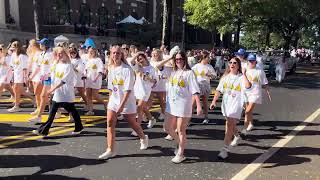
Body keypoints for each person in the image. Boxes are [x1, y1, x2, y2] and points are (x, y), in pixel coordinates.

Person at [98, 46, 148, 160]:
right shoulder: (110, 68)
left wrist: (121, 106)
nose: (116, 55)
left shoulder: (127, 69)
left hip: (127, 101)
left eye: (118, 53)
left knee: (132, 122)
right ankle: (110, 149)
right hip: (114, 101)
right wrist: (111, 101)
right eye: (114, 53)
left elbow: (127, 90)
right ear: (111, 55)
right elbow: (111, 88)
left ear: (122, 55)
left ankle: (143, 137)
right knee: (110, 123)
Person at [32, 47, 83, 136]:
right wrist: (43, 78)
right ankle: (44, 130)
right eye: (58, 54)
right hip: (58, 93)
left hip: (66, 93)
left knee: (69, 111)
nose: (59, 55)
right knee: (61, 111)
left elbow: (63, 81)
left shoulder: (68, 66)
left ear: (65, 54)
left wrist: (52, 89)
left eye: (61, 53)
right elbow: (52, 75)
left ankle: (44, 130)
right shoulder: (57, 64)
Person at [164, 51, 203, 164]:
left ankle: (181, 153)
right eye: (176, 59)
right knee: (167, 128)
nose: (178, 61)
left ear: (185, 59)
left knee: (181, 129)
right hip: (171, 105)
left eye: (180, 59)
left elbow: (195, 90)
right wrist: (169, 58)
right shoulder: (173, 72)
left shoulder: (189, 73)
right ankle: (180, 142)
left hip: (183, 105)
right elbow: (158, 67)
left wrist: (199, 106)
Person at [210, 57, 251, 159]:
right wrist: (214, 101)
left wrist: (244, 73)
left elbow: (248, 86)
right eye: (230, 62)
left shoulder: (241, 77)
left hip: (236, 105)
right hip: (226, 105)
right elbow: (219, 90)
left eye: (235, 63)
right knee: (230, 124)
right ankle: (237, 136)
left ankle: (224, 150)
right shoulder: (225, 77)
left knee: (229, 125)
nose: (232, 64)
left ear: (238, 65)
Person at [28, 38, 56, 123]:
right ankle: (54, 112)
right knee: (47, 97)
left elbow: (54, 67)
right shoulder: (42, 54)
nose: (40, 45)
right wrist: (32, 76)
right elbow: (39, 67)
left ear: (45, 45)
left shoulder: (51, 54)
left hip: (50, 78)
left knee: (44, 96)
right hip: (44, 78)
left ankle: (39, 116)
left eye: (41, 44)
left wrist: (48, 75)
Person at [242, 53, 271, 134]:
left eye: (252, 61)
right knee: (249, 110)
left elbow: (265, 83)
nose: (251, 63)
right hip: (246, 92)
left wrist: (268, 92)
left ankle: (244, 130)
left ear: (255, 62)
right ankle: (250, 123)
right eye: (249, 61)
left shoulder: (260, 71)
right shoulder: (244, 69)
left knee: (247, 111)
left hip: (255, 93)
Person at [131, 52, 157, 131]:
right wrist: (137, 53)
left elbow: (155, 81)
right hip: (137, 89)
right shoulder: (138, 67)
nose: (140, 60)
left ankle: (137, 129)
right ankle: (151, 119)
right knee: (143, 107)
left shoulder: (151, 68)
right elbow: (131, 62)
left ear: (145, 58)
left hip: (146, 91)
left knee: (139, 108)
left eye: (141, 58)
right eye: (138, 59)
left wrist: (149, 78)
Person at [8, 41, 33, 112]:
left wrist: (25, 78)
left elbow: (25, 68)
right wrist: (9, 75)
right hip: (15, 74)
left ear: (17, 47)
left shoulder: (22, 56)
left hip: (21, 75)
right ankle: (34, 100)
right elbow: (11, 66)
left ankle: (16, 105)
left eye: (13, 47)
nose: (12, 49)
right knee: (20, 91)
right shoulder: (13, 55)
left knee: (16, 90)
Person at [192, 51, 217, 124]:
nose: (210, 58)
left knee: (205, 102)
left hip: (206, 85)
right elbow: (190, 74)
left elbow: (215, 76)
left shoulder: (209, 66)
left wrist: (210, 75)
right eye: (208, 57)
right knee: (193, 103)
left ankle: (206, 117)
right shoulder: (196, 66)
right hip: (197, 86)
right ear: (204, 58)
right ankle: (188, 118)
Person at [84, 46, 106, 115]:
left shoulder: (98, 60)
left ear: (95, 52)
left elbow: (100, 70)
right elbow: (85, 70)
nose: (90, 52)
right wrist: (84, 75)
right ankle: (90, 110)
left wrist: (96, 78)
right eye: (89, 51)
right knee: (88, 95)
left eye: (92, 51)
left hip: (95, 80)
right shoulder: (88, 60)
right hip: (88, 80)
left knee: (95, 96)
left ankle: (105, 103)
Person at [68, 45, 87, 120]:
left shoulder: (79, 60)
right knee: (70, 97)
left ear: (77, 53)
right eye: (71, 53)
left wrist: (73, 68)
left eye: (74, 53)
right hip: (70, 80)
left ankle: (88, 104)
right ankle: (71, 113)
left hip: (78, 79)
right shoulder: (68, 59)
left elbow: (80, 70)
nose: (72, 54)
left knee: (82, 93)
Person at [27, 39, 43, 115]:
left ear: (34, 45)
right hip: (34, 76)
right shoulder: (34, 54)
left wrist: (31, 75)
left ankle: (41, 108)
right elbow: (31, 65)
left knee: (40, 93)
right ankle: (38, 107)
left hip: (39, 76)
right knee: (37, 93)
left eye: (30, 45)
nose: (29, 46)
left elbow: (38, 67)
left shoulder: (40, 54)